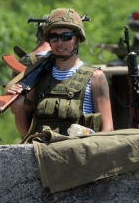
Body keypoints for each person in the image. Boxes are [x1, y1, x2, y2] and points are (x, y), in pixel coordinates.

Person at [7, 8, 114, 138]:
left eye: (66, 37)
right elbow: (27, 136)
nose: (60, 43)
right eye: (54, 37)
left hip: (79, 153)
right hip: (44, 153)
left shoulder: (95, 77)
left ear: (78, 39)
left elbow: (108, 129)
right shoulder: (38, 77)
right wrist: (18, 108)